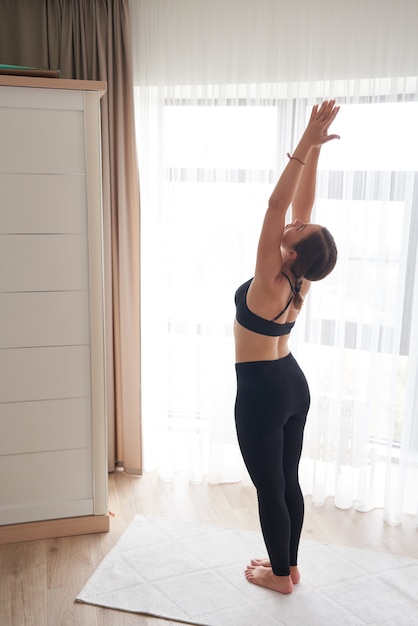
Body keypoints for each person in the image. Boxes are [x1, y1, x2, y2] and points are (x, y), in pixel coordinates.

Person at [234, 100, 340, 594]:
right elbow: (301, 210)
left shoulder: (267, 280)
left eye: (299, 231)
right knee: (287, 481)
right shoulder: (300, 279)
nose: (296, 223)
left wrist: (302, 141)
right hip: (293, 383)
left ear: (294, 249)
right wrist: (315, 152)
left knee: (269, 488)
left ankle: (279, 577)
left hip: (261, 391)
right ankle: (290, 565)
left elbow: (278, 208)